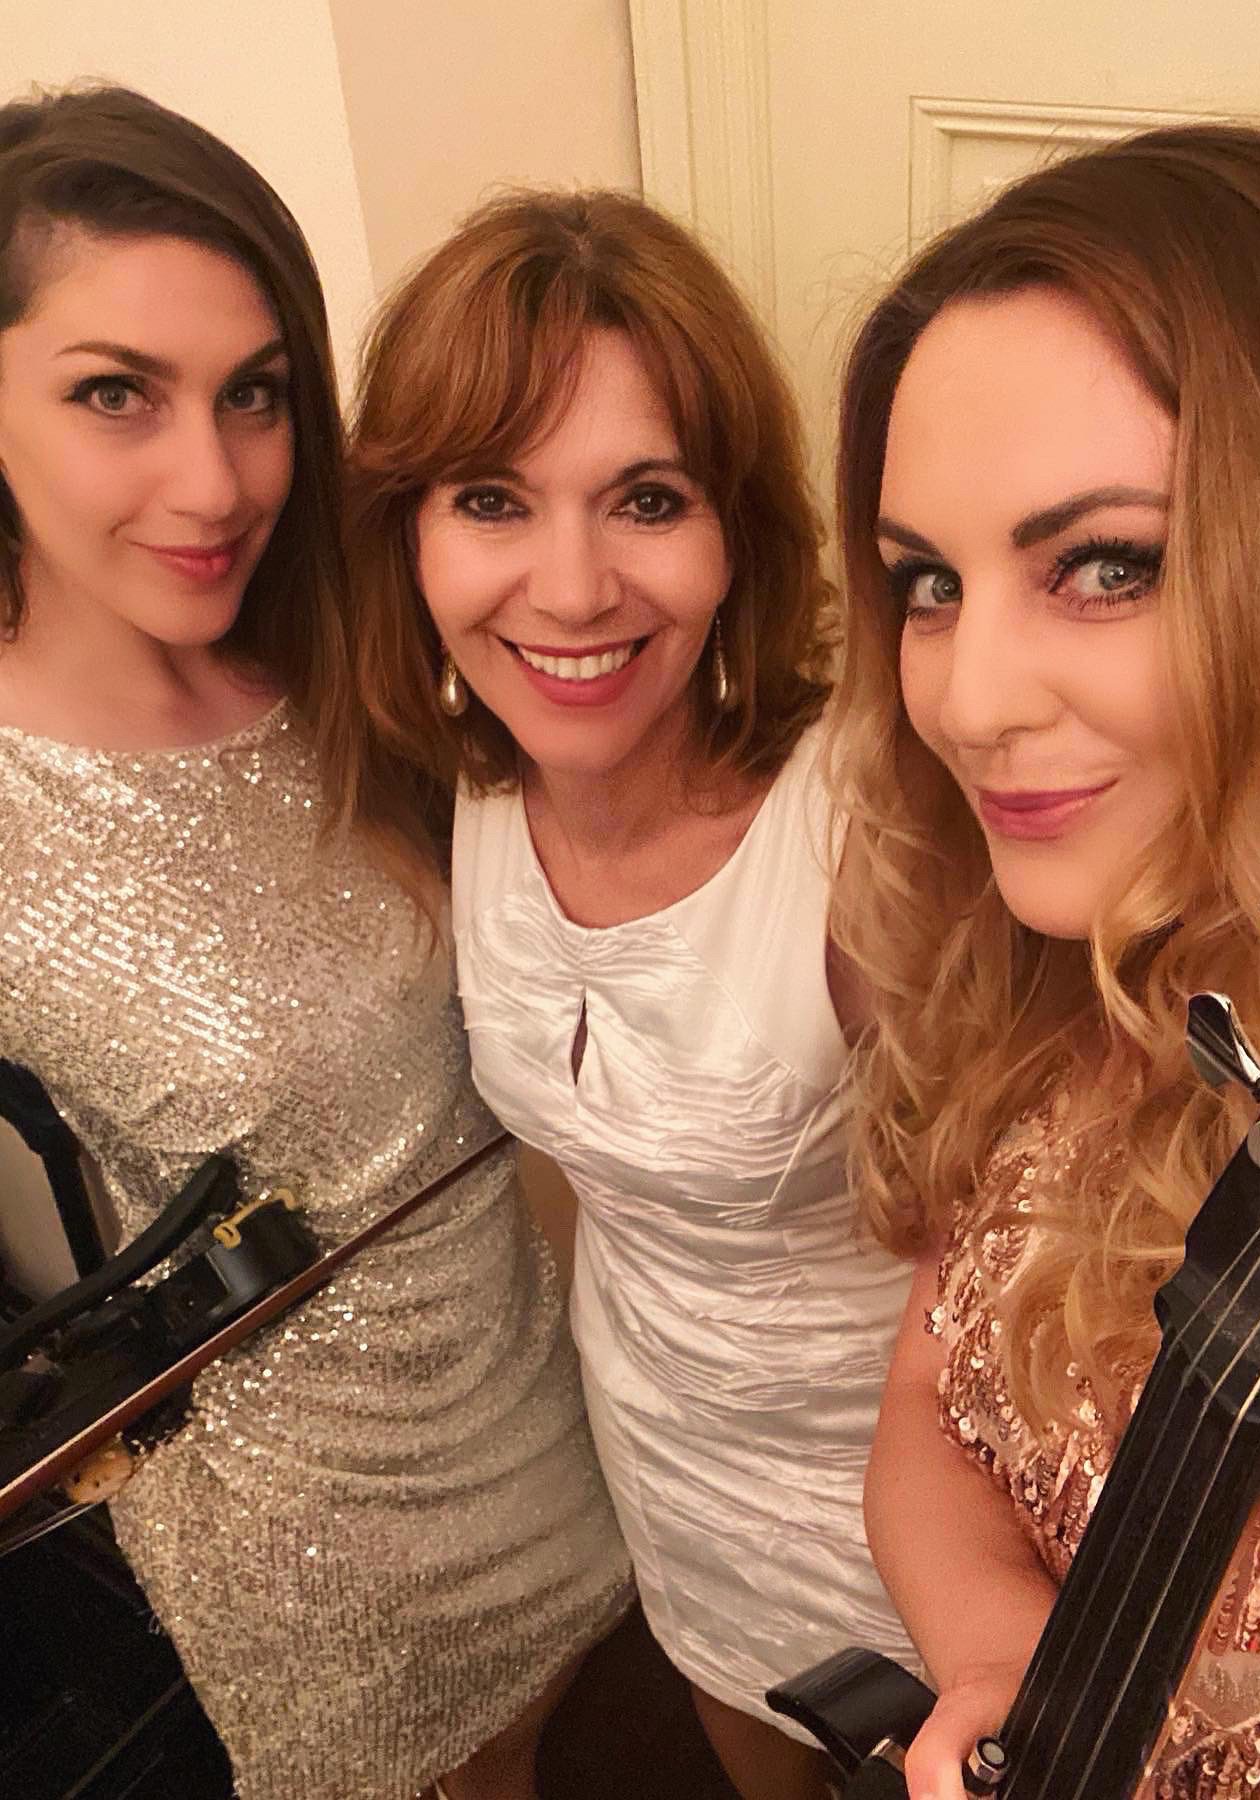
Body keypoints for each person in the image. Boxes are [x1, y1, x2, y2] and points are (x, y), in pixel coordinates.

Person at [0, 87, 629, 1800]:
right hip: (311, 1538)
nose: (215, 482)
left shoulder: (348, 647)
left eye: (256, 394)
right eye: (115, 394)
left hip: (543, 1393)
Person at [830, 123, 1260, 1799]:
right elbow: (925, 1401)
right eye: (928, 582)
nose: (965, 701)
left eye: (1107, 567)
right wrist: (1002, 1654)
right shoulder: (1049, 968)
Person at [346, 189, 919, 1800]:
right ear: (409, 536)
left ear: (737, 535)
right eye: (493, 500)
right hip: (658, 1452)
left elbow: (1008, 1262)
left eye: (646, 499)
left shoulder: (866, 832)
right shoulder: (462, 788)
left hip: (901, 1484)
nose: (574, 588)